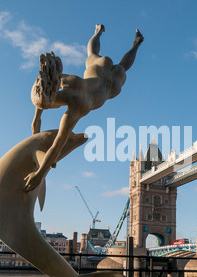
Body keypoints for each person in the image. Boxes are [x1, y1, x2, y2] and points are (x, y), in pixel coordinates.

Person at [24, 24, 144, 192]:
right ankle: (101, 33)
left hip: (111, 87)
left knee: (123, 66)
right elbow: (41, 101)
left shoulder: (78, 107)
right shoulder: (63, 81)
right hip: (99, 71)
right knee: (93, 55)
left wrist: (39, 173)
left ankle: (136, 43)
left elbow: (57, 144)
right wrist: (37, 129)